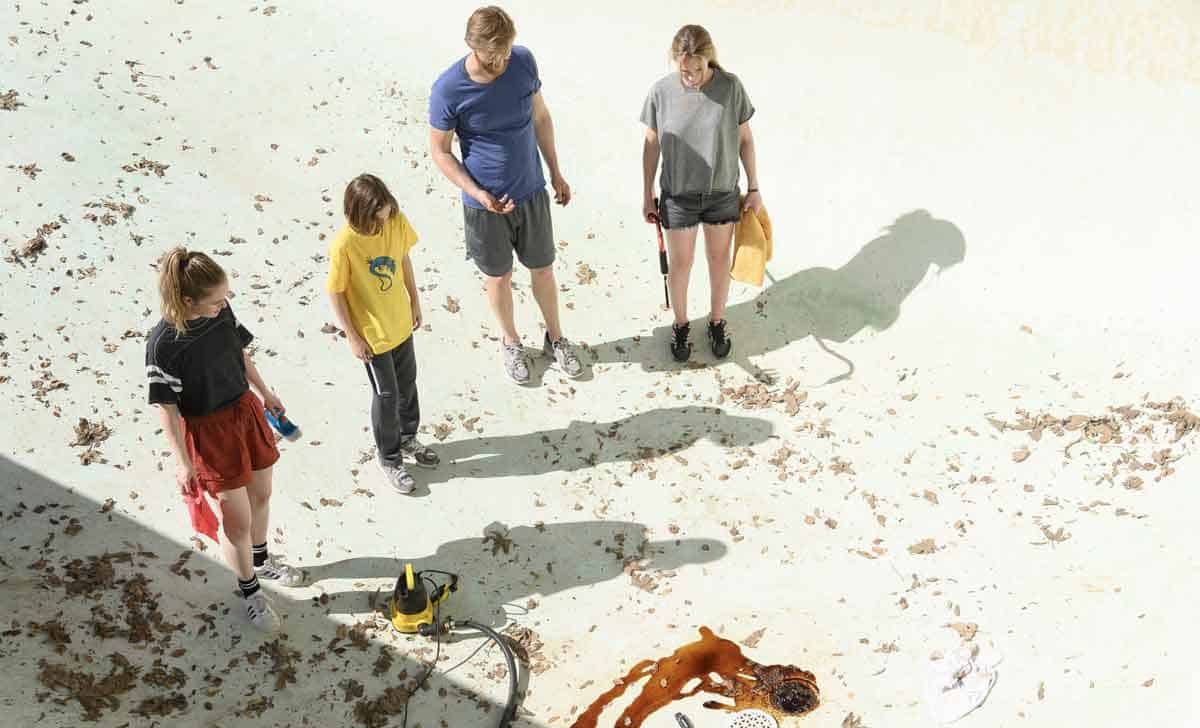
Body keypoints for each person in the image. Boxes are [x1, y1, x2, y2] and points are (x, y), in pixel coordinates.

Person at [146, 247, 302, 632]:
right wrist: (183, 463)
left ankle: (262, 561)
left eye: (225, 297)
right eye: (216, 300)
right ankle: (251, 592)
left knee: (262, 495)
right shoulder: (163, 344)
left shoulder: (222, 313)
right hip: (209, 431)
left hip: (246, 413)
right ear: (188, 301)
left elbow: (240, 354)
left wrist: (265, 392)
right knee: (236, 523)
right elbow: (166, 408)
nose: (225, 304)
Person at [429, 5, 583, 384]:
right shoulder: (448, 88)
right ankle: (511, 342)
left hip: (531, 190)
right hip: (485, 205)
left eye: (507, 50)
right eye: (495, 54)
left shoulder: (523, 62)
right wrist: (477, 193)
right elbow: (440, 151)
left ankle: (556, 338)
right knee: (498, 278)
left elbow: (541, 118)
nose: (503, 60)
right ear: (473, 46)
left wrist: (556, 172)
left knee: (544, 270)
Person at [641, 24, 762, 362]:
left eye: (698, 68)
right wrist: (646, 192)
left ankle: (716, 320)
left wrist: (753, 187)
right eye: (685, 70)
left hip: (722, 192)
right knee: (681, 264)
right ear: (675, 61)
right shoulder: (661, 92)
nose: (691, 76)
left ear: (709, 59)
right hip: (677, 196)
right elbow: (651, 144)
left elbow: (746, 139)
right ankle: (681, 324)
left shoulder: (731, 87)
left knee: (719, 260)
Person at [327, 174, 440, 494]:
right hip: (372, 333)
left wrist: (415, 301)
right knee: (386, 394)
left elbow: (403, 258)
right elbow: (335, 291)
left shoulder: (395, 221)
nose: (383, 223)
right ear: (359, 214)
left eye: (386, 214)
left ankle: (407, 437)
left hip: (400, 322)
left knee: (408, 383)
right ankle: (390, 458)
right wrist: (352, 335)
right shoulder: (345, 245)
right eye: (376, 219)